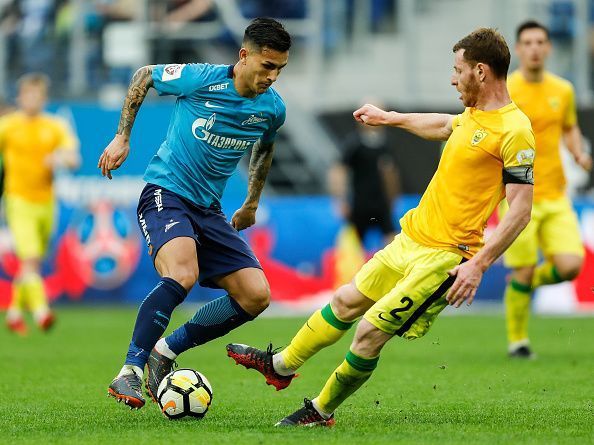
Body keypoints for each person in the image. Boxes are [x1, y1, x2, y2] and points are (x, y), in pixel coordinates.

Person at [227, 27, 535, 426]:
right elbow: (445, 125)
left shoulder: (516, 131)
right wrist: (390, 118)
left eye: (457, 70)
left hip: (445, 258)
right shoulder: (472, 117)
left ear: (480, 71)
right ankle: (281, 366)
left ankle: (320, 411)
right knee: (344, 302)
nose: (451, 78)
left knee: (369, 333)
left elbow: (520, 211)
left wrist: (479, 264)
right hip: (410, 240)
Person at [99, 17, 291, 409]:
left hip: (209, 209)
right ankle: (130, 371)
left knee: (256, 296)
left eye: (280, 69)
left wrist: (252, 201)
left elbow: (265, 149)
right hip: (166, 193)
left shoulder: (272, 109)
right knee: (182, 274)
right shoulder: (201, 78)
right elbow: (143, 76)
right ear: (244, 56)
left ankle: (164, 352)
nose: (272, 76)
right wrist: (123, 137)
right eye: (267, 66)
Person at [502, 20, 592, 359]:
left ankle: (523, 286)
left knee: (570, 265)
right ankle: (518, 341)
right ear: (519, 49)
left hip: (555, 193)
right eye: (528, 43)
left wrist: (578, 152)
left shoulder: (563, 90)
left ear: (549, 48)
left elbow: (569, 128)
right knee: (522, 267)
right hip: (517, 195)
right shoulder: (506, 90)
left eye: (540, 42)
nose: (535, 48)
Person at [0, 73, 80, 335]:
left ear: (44, 98)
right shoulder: (8, 126)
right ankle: (41, 311)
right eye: (28, 94)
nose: (32, 99)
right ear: (20, 97)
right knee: (31, 258)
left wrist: (59, 158)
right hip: (18, 200)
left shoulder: (54, 126)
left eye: (37, 95)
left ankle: (13, 311)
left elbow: (73, 158)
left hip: (46, 202)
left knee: (31, 263)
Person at [328, 121, 399, 286]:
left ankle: (389, 283)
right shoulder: (354, 144)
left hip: (381, 204)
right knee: (353, 247)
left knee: (392, 244)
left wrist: (393, 198)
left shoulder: (385, 144)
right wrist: (340, 199)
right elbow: (339, 170)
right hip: (359, 204)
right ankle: (352, 284)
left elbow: (390, 174)